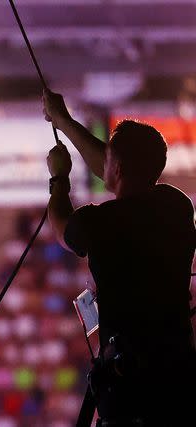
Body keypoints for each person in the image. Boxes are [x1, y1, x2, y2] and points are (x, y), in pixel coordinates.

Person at [43, 89, 196, 426]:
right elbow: (117, 172)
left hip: (130, 386)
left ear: (119, 167)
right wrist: (65, 122)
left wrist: (59, 178)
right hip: (179, 374)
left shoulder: (101, 221)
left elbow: (61, 227)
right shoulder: (176, 206)